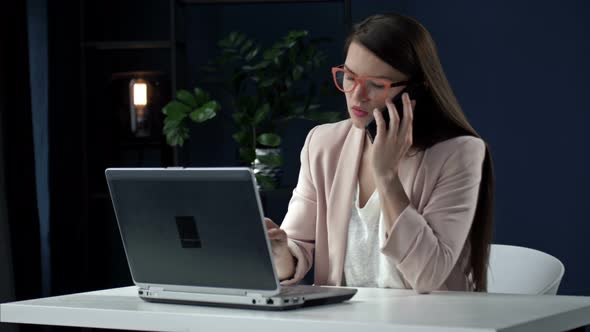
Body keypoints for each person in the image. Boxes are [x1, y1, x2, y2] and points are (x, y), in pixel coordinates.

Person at [264, 13, 495, 293]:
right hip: (342, 320)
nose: (356, 95)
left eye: (376, 84)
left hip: (428, 323)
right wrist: (279, 251)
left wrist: (386, 176)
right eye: (349, 77)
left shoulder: (459, 153)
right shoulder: (323, 144)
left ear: (415, 91)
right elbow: (296, 245)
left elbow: (428, 275)